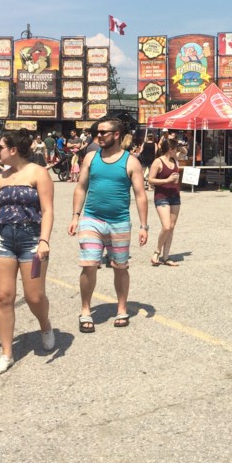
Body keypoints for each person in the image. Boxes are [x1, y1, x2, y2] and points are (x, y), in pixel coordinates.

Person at [0, 129, 55, 374]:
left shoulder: (38, 173)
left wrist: (44, 240)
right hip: (3, 239)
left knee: (34, 296)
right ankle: (7, 353)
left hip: (31, 237)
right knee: (4, 296)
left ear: (13, 150)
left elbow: (48, 210)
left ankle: (45, 325)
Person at [69, 117, 149, 333]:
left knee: (120, 267)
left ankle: (122, 309)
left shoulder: (130, 161)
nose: (99, 135)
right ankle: (85, 310)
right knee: (88, 264)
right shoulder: (90, 157)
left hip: (119, 222)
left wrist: (144, 225)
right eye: (98, 132)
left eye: (104, 132)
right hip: (91, 219)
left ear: (116, 135)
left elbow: (140, 195)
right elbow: (81, 187)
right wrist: (76, 215)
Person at [147, 137, 182, 267]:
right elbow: (150, 180)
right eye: (175, 149)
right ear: (170, 149)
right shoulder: (158, 162)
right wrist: (167, 180)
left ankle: (166, 257)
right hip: (162, 196)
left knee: (171, 227)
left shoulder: (175, 160)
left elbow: (185, 151)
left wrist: (177, 141)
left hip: (175, 196)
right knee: (166, 226)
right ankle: (157, 251)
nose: (177, 151)